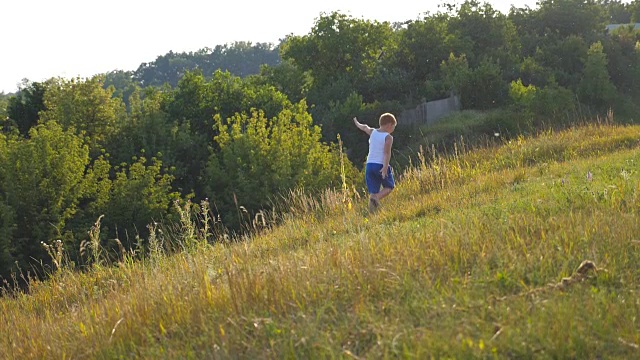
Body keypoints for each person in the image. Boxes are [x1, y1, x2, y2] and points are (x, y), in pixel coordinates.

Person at [353, 113, 397, 213]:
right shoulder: (388, 137)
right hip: (380, 165)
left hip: (369, 165)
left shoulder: (373, 132)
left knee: (373, 191)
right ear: (389, 125)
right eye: (393, 127)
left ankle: (372, 212)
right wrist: (385, 167)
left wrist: (357, 123)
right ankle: (377, 197)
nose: (393, 130)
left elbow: (364, 127)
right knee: (389, 186)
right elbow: (386, 153)